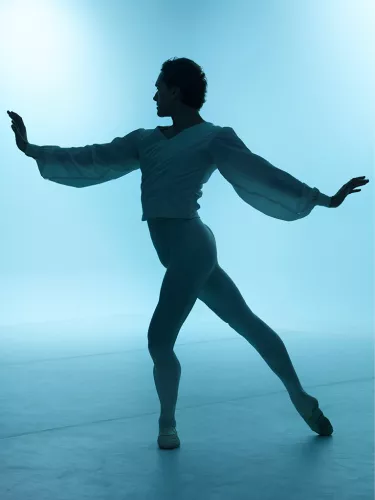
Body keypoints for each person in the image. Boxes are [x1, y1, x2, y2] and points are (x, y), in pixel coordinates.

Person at [7, 57, 369, 450]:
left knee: (159, 341)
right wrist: (32, 148)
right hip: (189, 252)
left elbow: (262, 173)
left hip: (192, 250)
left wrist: (323, 199)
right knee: (247, 323)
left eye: (159, 87)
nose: (154, 94)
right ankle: (302, 398)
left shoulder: (213, 138)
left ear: (176, 91)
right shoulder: (145, 140)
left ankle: (167, 425)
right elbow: (94, 156)